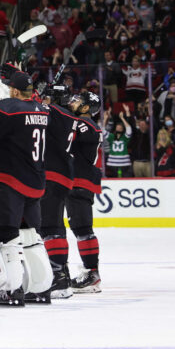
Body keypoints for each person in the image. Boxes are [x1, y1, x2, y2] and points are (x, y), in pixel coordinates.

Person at [0, 70, 51, 306]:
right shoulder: (40, 109)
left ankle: (12, 289)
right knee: (31, 236)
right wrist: (1, 102)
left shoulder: (10, 107)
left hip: (9, 180)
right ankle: (42, 288)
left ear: (16, 91)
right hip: (35, 181)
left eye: (10, 88)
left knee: (6, 237)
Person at [38, 83, 84, 300]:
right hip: (62, 175)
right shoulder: (66, 114)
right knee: (55, 226)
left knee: (49, 227)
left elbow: (34, 109)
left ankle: (59, 278)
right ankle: (61, 273)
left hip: (52, 174)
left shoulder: (53, 112)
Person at [67, 90, 104, 293]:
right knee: (80, 228)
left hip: (80, 180)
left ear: (86, 108)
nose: (72, 102)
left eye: (77, 101)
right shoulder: (85, 123)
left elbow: (64, 130)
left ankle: (92, 274)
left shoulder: (85, 124)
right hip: (79, 179)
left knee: (82, 228)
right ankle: (91, 272)